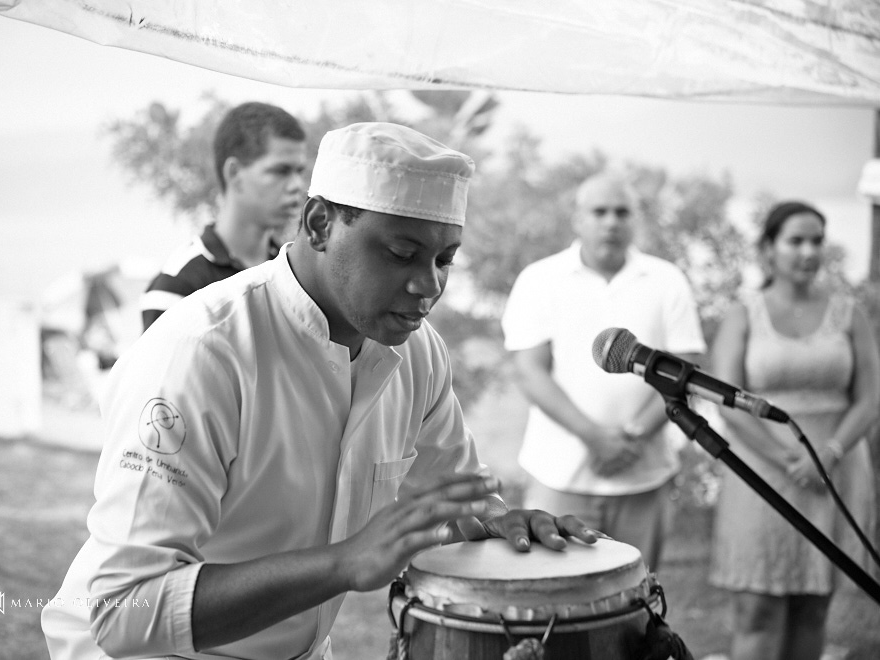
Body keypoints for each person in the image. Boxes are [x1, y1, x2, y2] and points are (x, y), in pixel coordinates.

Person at [42, 122, 600, 660]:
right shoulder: (203, 353)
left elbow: (456, 501)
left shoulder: (419, 353)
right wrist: (343, 564)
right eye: (402, 254)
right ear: (318, 224)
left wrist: (502, 523)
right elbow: (119, 610)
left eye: (444, 259)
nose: (429, 285)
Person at [500, 170, 706, 573]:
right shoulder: (539, 279)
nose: (611, 221)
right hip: (558, 477)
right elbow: (529, 372)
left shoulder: (667, 280)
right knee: (550, 598)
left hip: (645, 477)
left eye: (622, 212)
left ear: (637, 219)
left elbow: (686, 368)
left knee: (636, 599)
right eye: (599, 211)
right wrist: (595, 438)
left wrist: (629, 438)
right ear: (577, 218)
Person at [707, 201, 880, 660]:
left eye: (817, 240)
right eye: (795, 241)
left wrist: (831, 453)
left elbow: (870, 399)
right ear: (768, 250)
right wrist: (787, 458)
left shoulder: (850, 314)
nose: (808, 251)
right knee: (756, 608)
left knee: (812, 606)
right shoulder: (742, 314)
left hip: (835, 472)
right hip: (760, 473)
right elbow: (725, 402)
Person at [140, 101, 308, 331]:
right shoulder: (177, 285)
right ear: (234, 173)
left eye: (299, 171)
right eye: (280, 171)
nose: (297, 185)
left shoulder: (291, 272)